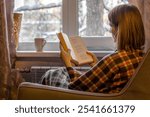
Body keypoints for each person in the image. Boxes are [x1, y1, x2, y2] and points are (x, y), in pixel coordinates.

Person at [42, 4, 145, 94]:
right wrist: (96, 64)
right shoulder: (143, 58)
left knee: (51, 75)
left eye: (111, 25)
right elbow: (109, 79)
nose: (110, 30)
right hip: (111, 94)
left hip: (89, 98)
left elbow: (76, 88)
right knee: (62, 71)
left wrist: (67, 62)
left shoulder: (114, 60)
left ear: (120, 29)